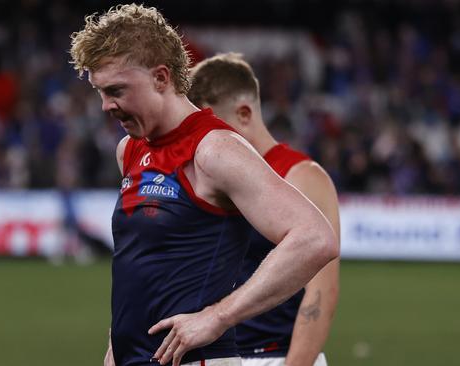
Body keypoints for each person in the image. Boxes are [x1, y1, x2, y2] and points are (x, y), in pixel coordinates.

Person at [69, 4, 338, 366]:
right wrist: (114, 347)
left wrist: (218, 317)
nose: (105, 106)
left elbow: (314, 238)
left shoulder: (214, 149)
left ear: (161, 78)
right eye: (100, 92)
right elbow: (144, 268)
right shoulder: (130, 149)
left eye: (116, 90)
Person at [188, 53, 340, 366]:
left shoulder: (301, 176)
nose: (202, 138)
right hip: (215, 356)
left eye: (210, 124)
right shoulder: (205, 175)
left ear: (244, 113)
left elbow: (321, 292)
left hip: (276, 357)